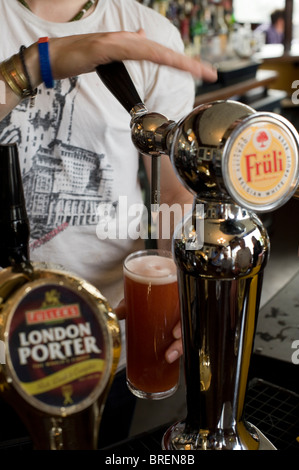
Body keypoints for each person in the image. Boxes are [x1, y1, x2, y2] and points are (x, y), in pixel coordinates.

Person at [0, 0, 217, 448]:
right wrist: (42, 61)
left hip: (106, 332)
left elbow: (173, 192)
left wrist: (171, 267)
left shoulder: (146, 32)